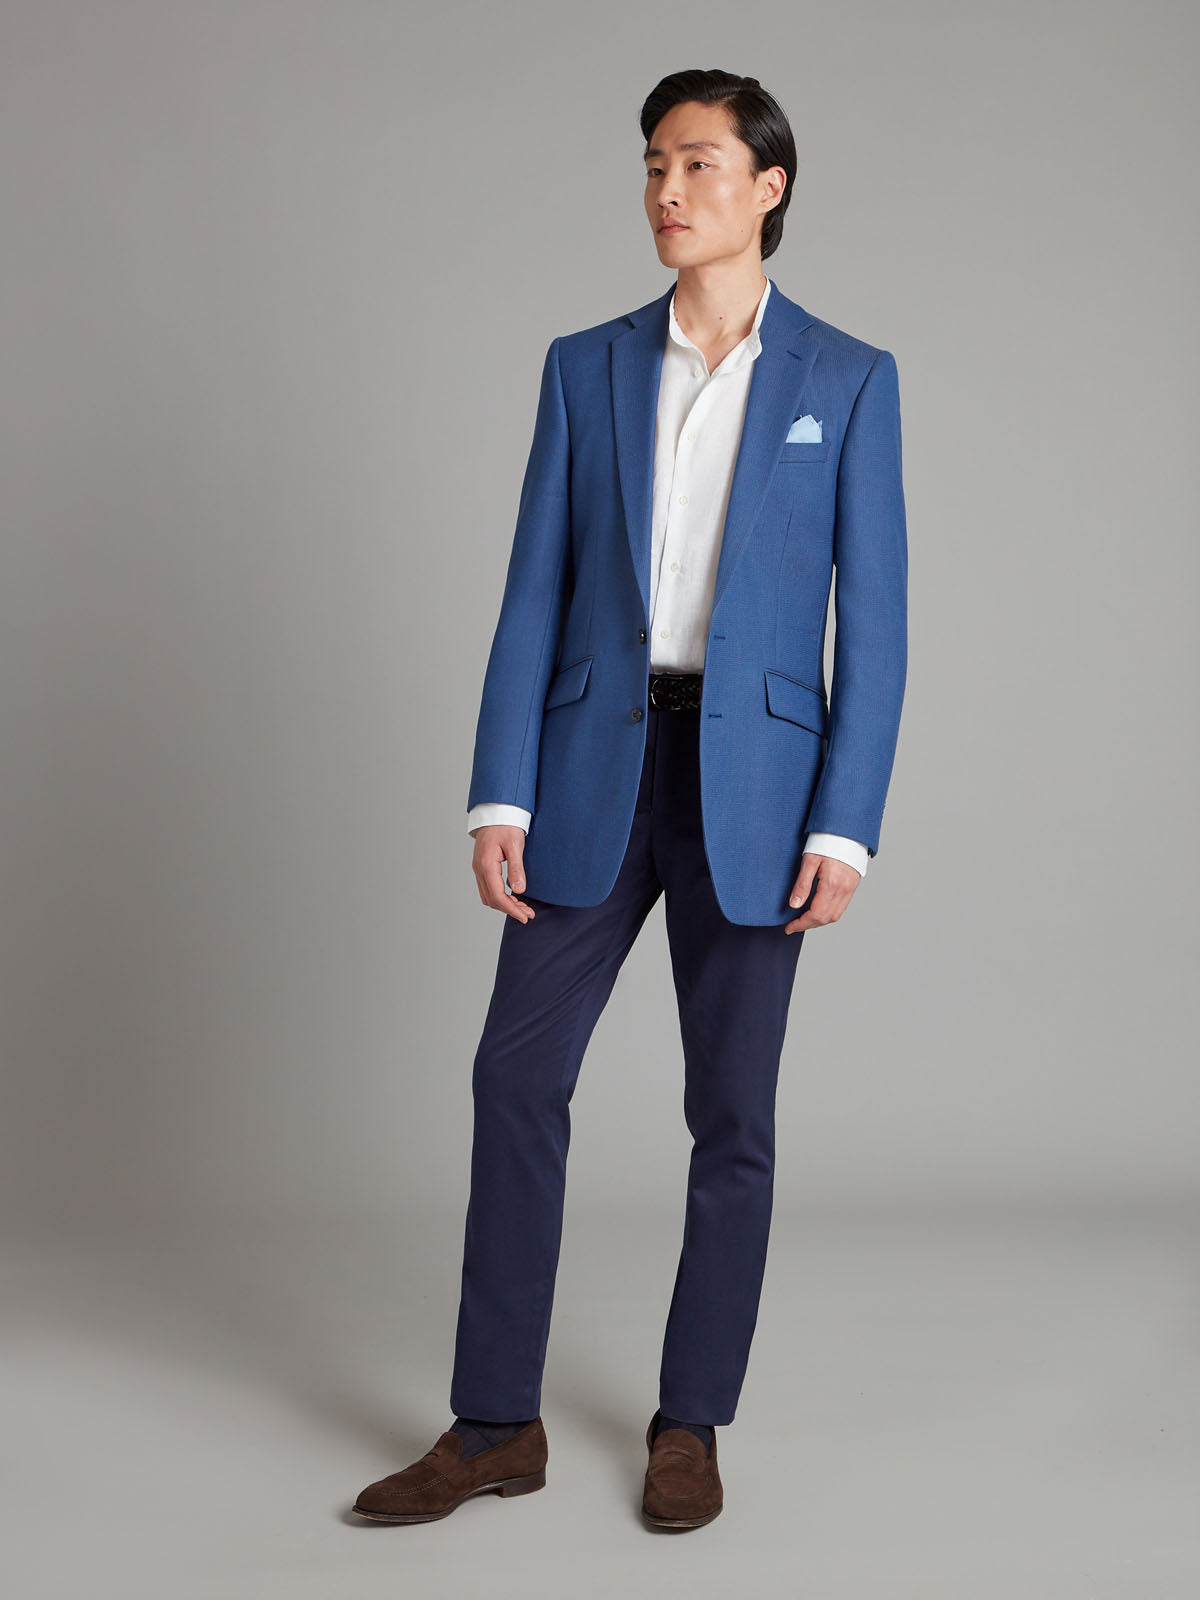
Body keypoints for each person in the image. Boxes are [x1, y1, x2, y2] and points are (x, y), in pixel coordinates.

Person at [354, 65, 907, 1531]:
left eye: (698, 163)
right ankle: (494, 1423)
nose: (667, 188)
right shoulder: (583, 366)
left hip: (759, 792)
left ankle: (691, 1421)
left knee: (733, 1114)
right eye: (654, 163)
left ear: (768, 187)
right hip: (594, 764)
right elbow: (531, 591)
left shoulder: (849, 379)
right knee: (514, 1078)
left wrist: (845, 820)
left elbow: (877, 624)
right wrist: (498, 794)